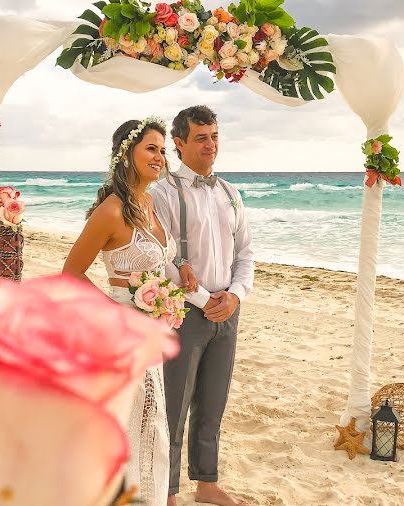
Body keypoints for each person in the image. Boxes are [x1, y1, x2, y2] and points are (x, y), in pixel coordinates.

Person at [62, 117, 174, 506]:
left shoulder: (150, 202)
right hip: (124, 334)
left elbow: (156, 265)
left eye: (163, 149)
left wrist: (174, 288)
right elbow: (72, 272)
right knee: (133, 426)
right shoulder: (112, 210)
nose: (160, 156)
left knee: (152, 425)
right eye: (151, 148)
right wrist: (118, 314)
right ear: (127, 153)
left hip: (151, 335)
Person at [150, 105, 254, 506]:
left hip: (228, 310)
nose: (210, 145)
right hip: (183, 311)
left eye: (214, 136)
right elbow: (162, 259)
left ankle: (206, 484)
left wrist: (235, 296)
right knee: (174, 405)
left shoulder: (231, 192)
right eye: (200, 138)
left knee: (213, 402)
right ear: (178, 143)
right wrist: (201, 299)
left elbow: (245, 253)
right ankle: (169, 491)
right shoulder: (161, 193)